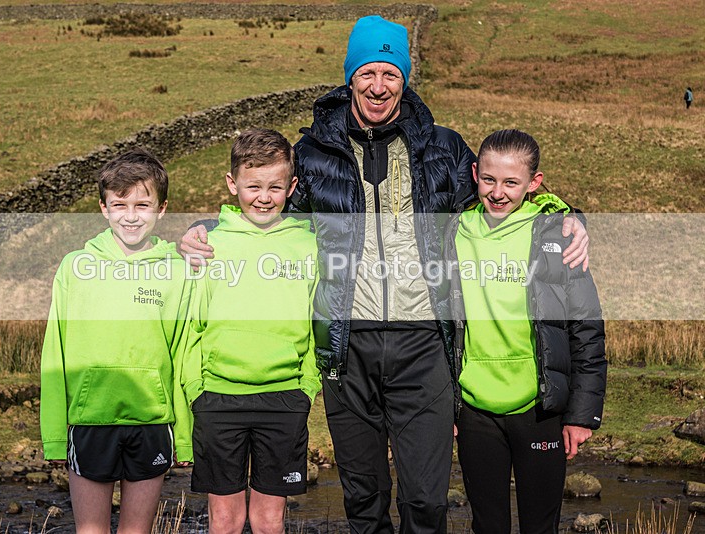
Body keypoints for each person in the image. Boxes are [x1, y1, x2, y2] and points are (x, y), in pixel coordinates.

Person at [179, 16, 590, 533]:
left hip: (424, 349)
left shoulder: (444, 148)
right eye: (368, 72)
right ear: (350, 76)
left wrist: (564, 214)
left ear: (405, 78)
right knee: (364, 499)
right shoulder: (311, 153)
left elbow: (500, 202)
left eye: (390, 74)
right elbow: (264, 211)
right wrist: (202, 229)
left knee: (425, 500)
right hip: (346, 349)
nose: (378, 86)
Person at [446, 129, 607, 533]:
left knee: (540, 525)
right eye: (488, 179)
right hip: (474, 409)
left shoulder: (558, 235)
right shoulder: (452, 232)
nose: (498, 192)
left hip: (540, 409)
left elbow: (586, 327)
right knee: (488, 524)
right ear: (474, 174)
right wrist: (445, 405)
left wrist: (582, 414)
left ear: (534, 183)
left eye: (511, 182)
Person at [40, 148, 192, 534]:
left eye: (143, 204)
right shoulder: (75, 267)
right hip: (90, 421)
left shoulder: (177, 271)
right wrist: (56, 437)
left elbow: (183, 353)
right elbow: (54, 353)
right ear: (104, 209)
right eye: (120, 203)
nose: (131, 214)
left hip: (152, 421)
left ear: (162, 210)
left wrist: (185, 438)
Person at [181, 128, 321, 534]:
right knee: (224, 520)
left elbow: (317, 324)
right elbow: (192, 325)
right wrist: (197, 390)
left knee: (269, 519)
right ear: (232, 184)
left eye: (275, 187)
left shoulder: (308, 246)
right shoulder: (209, 245)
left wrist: (305, 388)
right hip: (218, 399)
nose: (264, 197)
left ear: (291, 186)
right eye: (253, 186)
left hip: (284, 399)